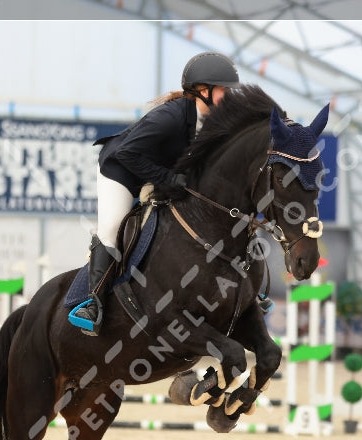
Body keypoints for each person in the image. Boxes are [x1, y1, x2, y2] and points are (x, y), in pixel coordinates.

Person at [70, 51, 240, 335]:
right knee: (112, 229)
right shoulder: (169, 117)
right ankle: (93, 303)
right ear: (203, 91)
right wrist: (169, 178)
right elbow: (127, 154)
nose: (229, 97)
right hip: (121, 170)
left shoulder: (216, 122)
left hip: (160, 172)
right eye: (224, 90)